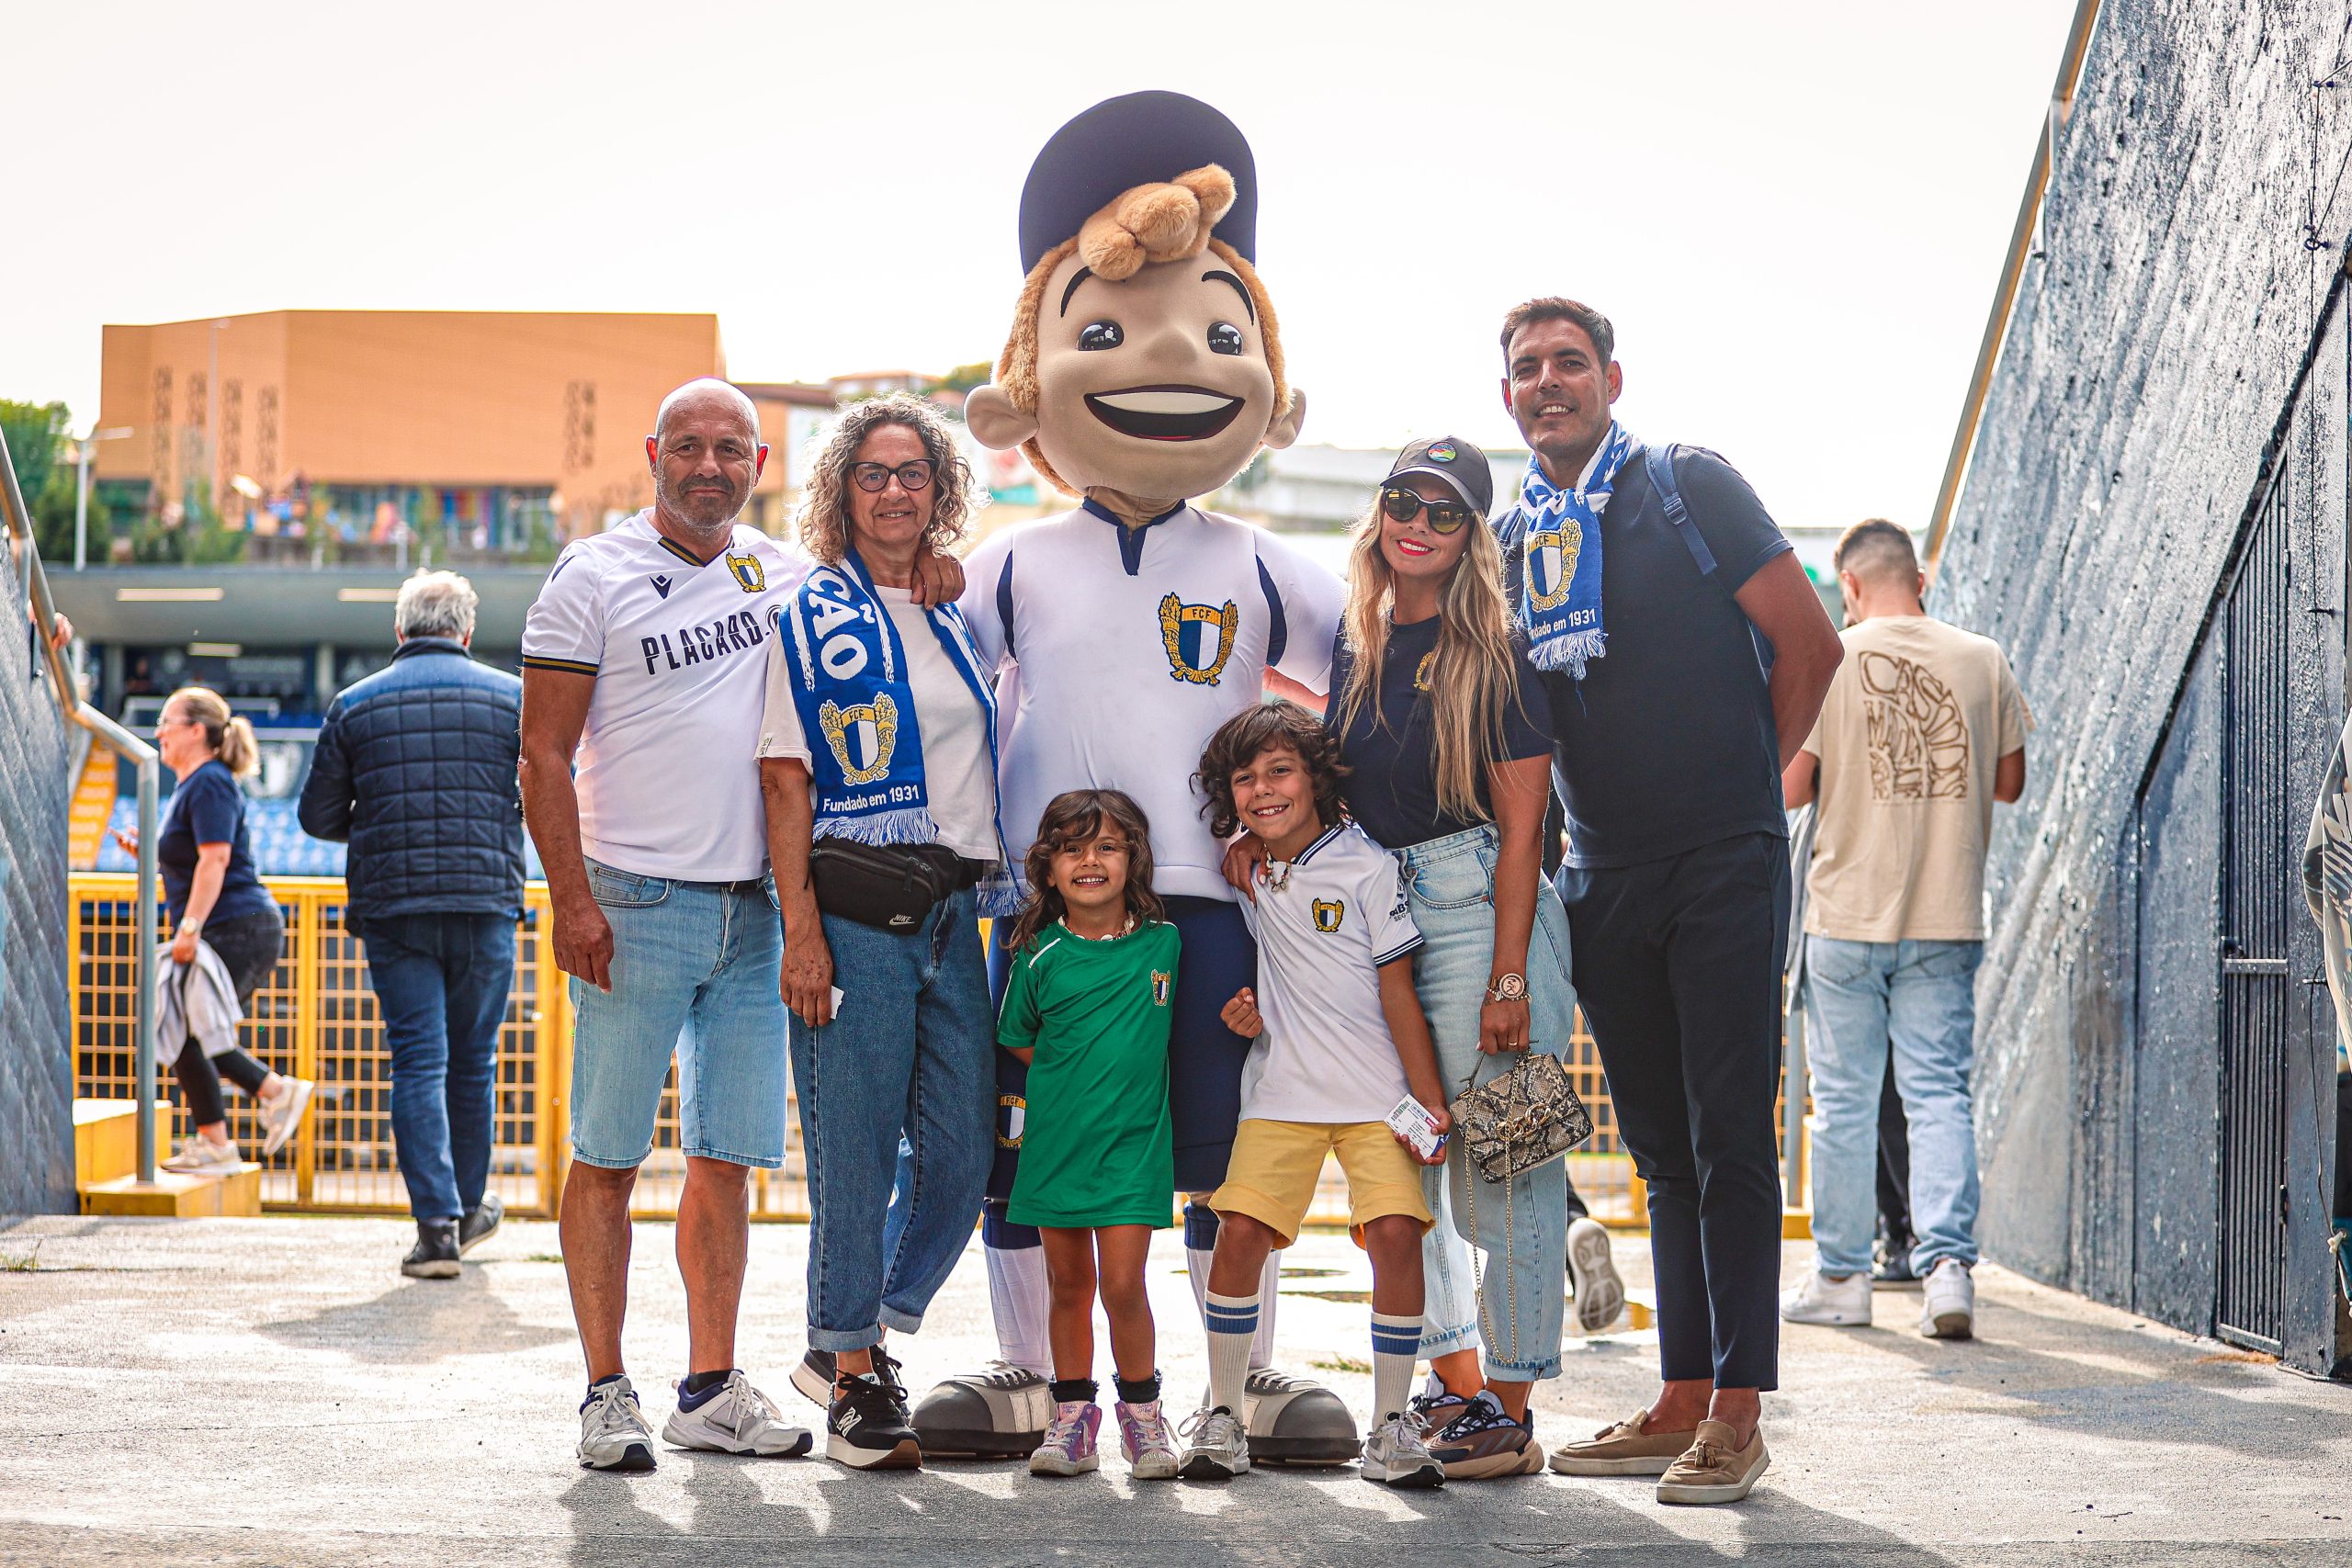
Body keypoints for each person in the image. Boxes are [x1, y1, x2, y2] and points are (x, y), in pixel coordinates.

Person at [934, 91, 1355, 1464]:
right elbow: (931, 691)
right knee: (1033, 1153)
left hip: (1211, 903)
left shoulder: (1259, 561)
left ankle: (1244, 1381)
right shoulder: (1010, 559)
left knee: (1227, 1159)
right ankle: (1020, 1367)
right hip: (1044, 913)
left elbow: (1369, 678)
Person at [1494, 299, 1844, 1506]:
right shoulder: (1511, 531)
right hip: (1602, 873)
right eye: (1528, 368)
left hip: (1723, 857)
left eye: (1569, 363)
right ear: (1510, 395)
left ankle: (1740, 1414)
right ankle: (1683, 1395)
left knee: (1731, 1135)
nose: (1550, 382)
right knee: (1660, 1153)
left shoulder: (1689, 482)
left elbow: (1812, 645)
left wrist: (1751, 794)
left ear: (1611, 377)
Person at [522, 378, 845, 1472]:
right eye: (691, 447)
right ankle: (603, 1393)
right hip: (634, 903)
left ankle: (709, 1389)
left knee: (725, 1158)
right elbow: (541, 756)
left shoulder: (789, 575)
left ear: (758, 465)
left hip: (757, 912)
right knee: (608, 1155)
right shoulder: (592, 575)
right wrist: (572, 898)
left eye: (731, 450)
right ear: (653, 453)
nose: (710, 466)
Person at [1321, 435, 1609, 1478]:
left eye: (1447, 513)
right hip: (1378, 922)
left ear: (1472, 536)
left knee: (1514, 1168)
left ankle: (1513, 1409)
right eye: (1406, 501)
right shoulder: (1353, 650)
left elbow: (1526, 831)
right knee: (1404, 1166)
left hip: (1482, 910)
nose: (1420, 525)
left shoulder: (1501, 654)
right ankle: (1457, 1393)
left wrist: (1507, 978)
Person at [757, 393, 1007, 1472]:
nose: (894, 491)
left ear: (940, 491)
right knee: (854, 1158)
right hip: (857, 917)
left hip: (960, 911)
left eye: (913, 474)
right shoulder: (807, 613)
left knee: (964, 1154)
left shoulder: (959, 609)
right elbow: (783, 781)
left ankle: (852, 1330)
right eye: (874, 474)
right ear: (841, 491)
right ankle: (854, 1376)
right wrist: (799, 935)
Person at [1175, 700, 1447, 1489]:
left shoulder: (1367, 865)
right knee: (1240, 1234)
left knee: (1397, 1234)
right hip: (1282, 1093)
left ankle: (1393, 1426)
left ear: (1317, 778)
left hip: (1376, 1098)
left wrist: (1426, 1100)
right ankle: (1223, 1413)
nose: (1263, 789)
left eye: (1280, 770)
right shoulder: (1251, 867)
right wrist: (1249, 1005)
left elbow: (1398, 990)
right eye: (1246, 777)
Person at [1779, 518, 2031, 1341]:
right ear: (1918, 577)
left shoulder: (1830, 657)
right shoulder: (1982, 657)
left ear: (1849, 587)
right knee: (1938, 1094)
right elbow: (2009, 782)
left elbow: (1791, 788)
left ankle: (1845, 1279)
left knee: (1844, 1104)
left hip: (1846, 917)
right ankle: (1948, 1270)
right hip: (1945, 914)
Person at [300, 570, 523, 1280]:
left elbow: (316, 817)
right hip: (486, 905)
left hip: (394, 912)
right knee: (475, 1062)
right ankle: (469, 1208)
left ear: (400, 631)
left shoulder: (354, 704)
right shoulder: (514, 699)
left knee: (418, 1061)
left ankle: (435, 1232)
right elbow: (548, 792)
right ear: (465, 631)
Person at [995, 790, 1182, 1481]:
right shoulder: (1038, 952)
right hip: (1055, 1150)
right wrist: (1070, 1079)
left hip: (1134, 1150)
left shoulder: (1165, 942)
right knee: (1067, 1285)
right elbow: (1016, 1037)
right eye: (1072, 848)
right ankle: (1073, 1418)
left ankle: (1144, 1418)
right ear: (1049, 870)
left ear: (1133, 859)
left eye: (1107, 845)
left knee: (1125, 1284)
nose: (1090, 860)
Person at [118, 686, 313, 1173]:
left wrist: (188, 927)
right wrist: (154, 855)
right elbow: (197, 860)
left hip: (236, 927)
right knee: (181, 1027)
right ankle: (241, 1121)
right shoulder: (196, 784)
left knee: (182, 1025)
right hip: (232, 925)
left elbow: (217, 858)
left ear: (196, 731)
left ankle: (254, 1112)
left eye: (167, 722)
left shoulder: (209, 782)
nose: (158, 732)